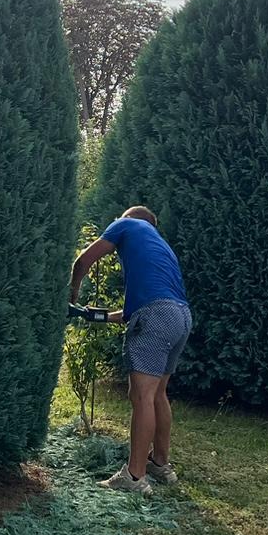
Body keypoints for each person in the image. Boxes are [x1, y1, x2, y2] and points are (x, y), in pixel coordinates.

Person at [70, 205, 192, 497]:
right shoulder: (161, 246)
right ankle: (160, 464)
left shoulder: (127, 225)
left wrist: (71, 293)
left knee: (142, 396)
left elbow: (82, 261)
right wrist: (93, 315)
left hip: (156, 316)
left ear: (130, 219)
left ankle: (134, 477)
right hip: (180, 316)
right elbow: (134, 309)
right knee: (159, 393)